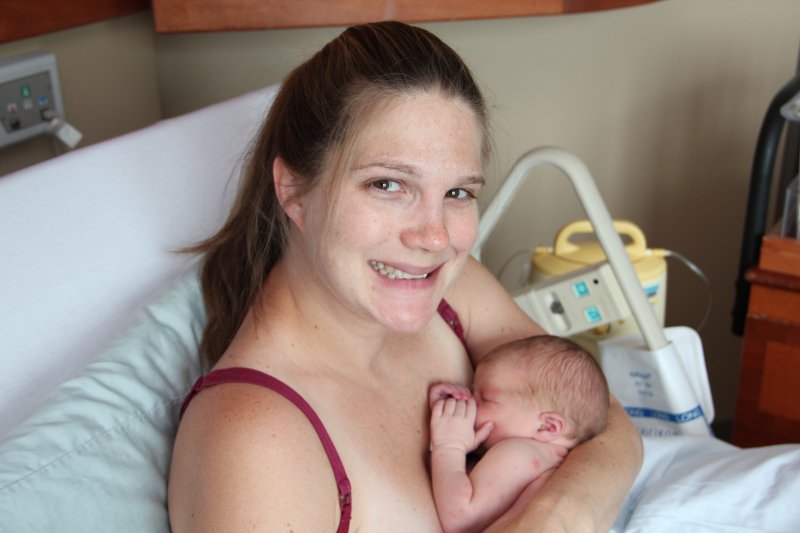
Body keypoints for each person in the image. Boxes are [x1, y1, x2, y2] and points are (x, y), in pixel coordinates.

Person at [168, 20, 642, 532]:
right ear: (294, 191)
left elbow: (599, 419)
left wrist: (557, 516)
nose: (435, 238)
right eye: (388, 184)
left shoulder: (454, 291)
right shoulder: (256, 440)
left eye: (458, 193)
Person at [429, 334, 610, 533]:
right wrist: (451, 411)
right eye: (473, 390)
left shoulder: (519, 453)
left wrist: (449, 445)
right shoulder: (551, 460)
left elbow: (461, 519)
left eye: (486, 398)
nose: (470, 402)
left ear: (547, 426)